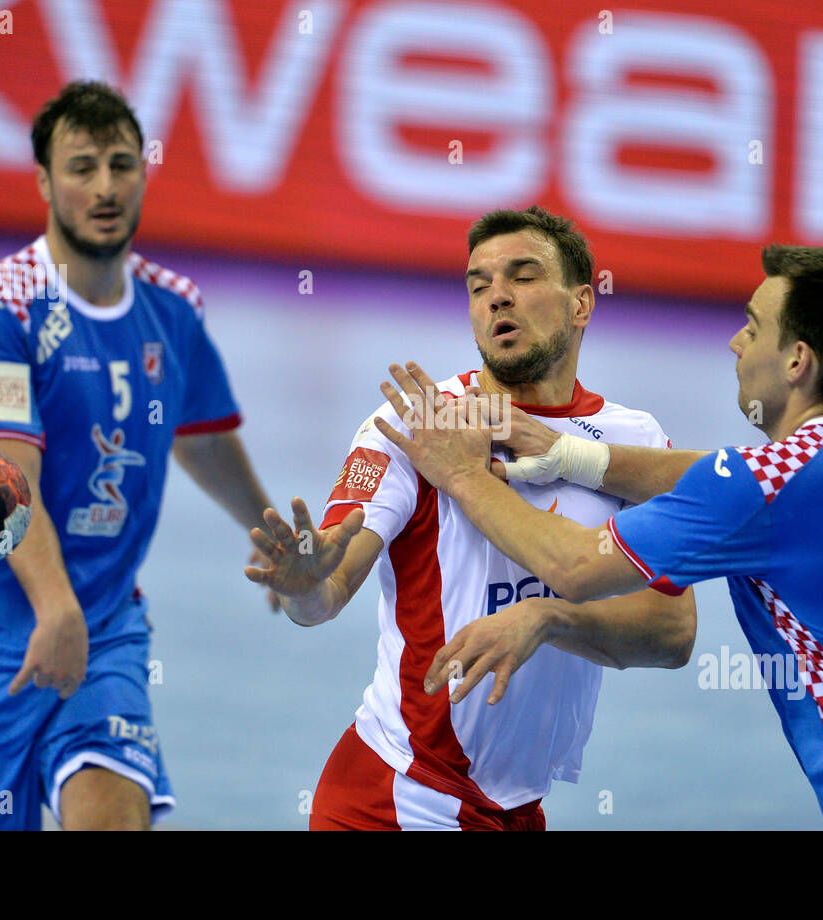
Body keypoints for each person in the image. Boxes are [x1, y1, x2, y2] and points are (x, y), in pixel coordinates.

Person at [375, 245, 823, 831]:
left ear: (796, 361)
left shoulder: (767, 487)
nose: (734, 342)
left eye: (753, 327)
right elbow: (718, 477)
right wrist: (573, 457)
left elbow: (576, 565)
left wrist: (463, 474)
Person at [0, 81, 274, 830]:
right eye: (82, 166)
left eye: (122, 164)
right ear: (43, 181)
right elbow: (3, 476)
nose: (105, 187)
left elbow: (200, 434)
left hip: (101, 628)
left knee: (111, 819)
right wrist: (53, 602)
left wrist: (281, 538)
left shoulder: (173, 308)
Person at [245, 206, 697, 830]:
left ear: (581, 304)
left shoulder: (630, 442)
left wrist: (548, 619)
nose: (497, 297)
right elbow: (326, 592)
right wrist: (304, 586)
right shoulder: (415, 425)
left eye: (523, 276)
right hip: (397, 795)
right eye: (479, 285)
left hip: (513, 809)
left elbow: (673, 635)